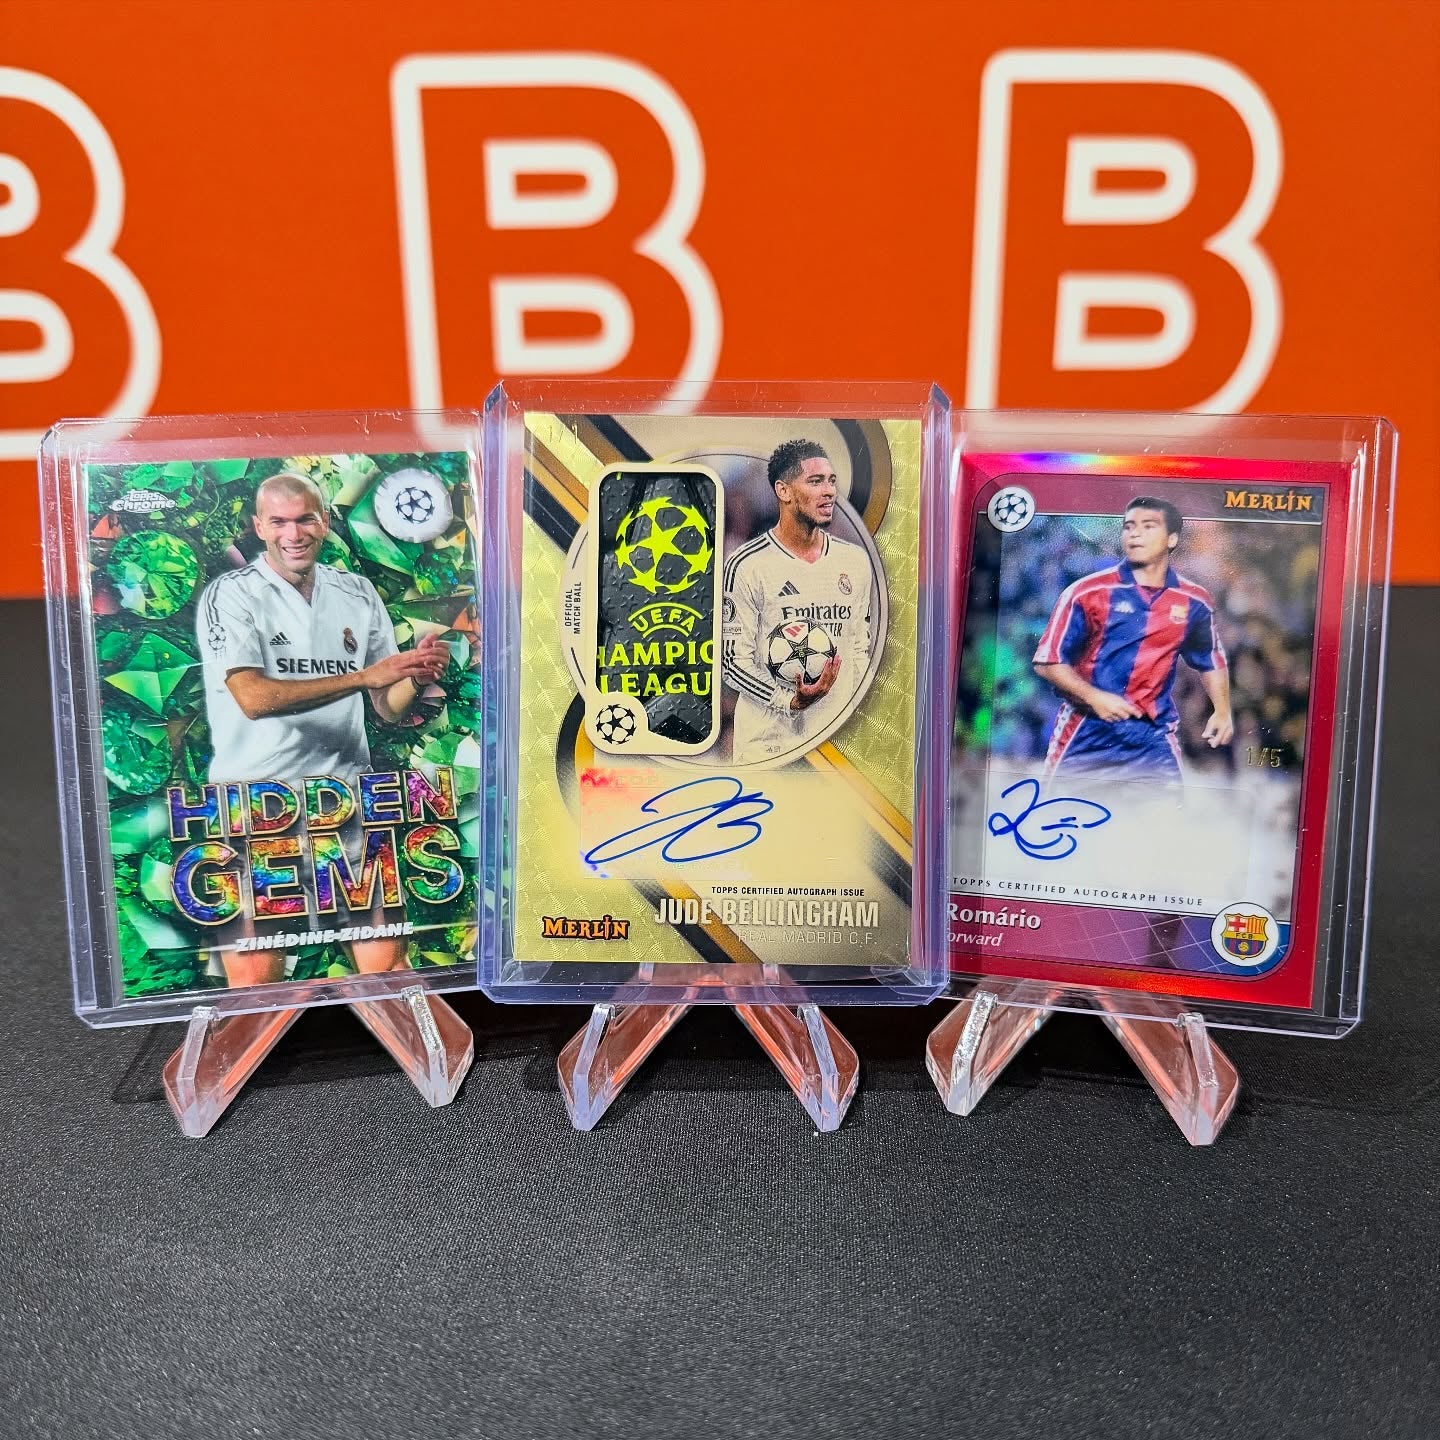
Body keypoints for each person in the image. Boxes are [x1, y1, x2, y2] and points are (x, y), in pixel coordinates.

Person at [197, 470, 447, 985]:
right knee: (255, 982)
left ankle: (406, 1038)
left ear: (325, 521)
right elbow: (253, 698)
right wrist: (363, 676)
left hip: (344, 804)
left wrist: (414, 675)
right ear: (259, 527)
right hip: (258, 807)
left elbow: (386, 707)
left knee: (389, 971)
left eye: (305, 519)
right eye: (279, 522)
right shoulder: (233, 594)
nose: (294, 533)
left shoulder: (356, 591)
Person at [1033, 495, 1232, 781]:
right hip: (1086, 736)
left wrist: (1222, 710)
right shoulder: (1085, 593)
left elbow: (1210, 659)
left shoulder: (1194, 601)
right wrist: (1094, 697)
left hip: (1152, 740)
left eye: (1148, 526)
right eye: (1129, 526)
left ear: (1172, 539)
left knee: (1168, 811)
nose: (1135, 533)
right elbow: (1047, 662)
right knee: (1061, 811)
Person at [722, 439, 872, 763]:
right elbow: (733, 663)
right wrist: (789, 701)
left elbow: (860, 649)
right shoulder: (746, 565)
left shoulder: (855, 561)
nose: (829, 491)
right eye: (815, 481)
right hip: (769, 750)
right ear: (784, 491)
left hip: (836, 749)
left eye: (831, 481)